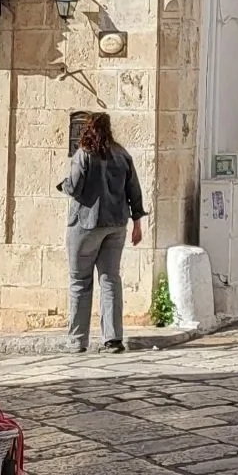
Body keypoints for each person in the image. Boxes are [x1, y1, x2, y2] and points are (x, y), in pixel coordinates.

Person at [59, 111, 145, 353]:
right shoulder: (122, 155)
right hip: (116, 224)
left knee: (80, 281)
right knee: (110, 279)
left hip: (86, 224)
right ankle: (113, 339)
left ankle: (77, 341)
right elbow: (134, 191)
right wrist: (137, 224)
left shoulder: (84, 154)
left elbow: (74, 187)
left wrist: (62, 185)